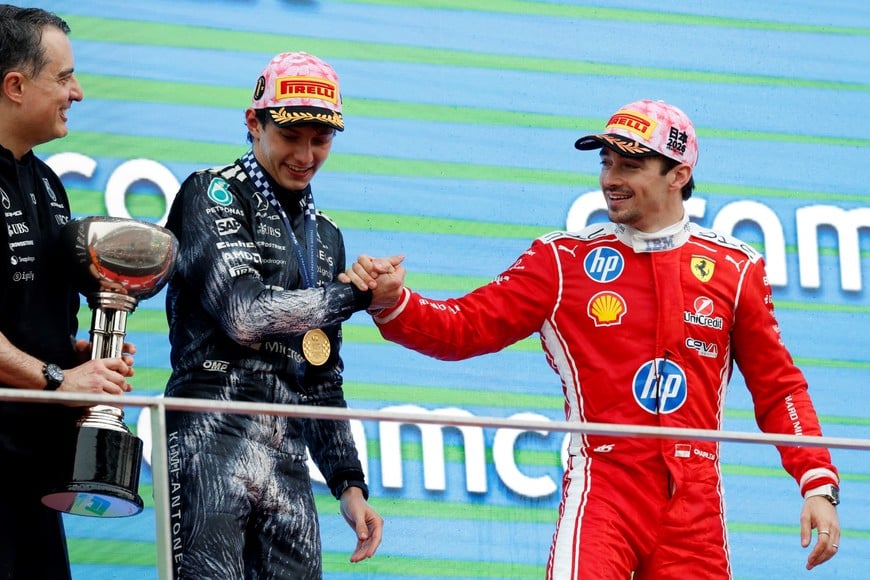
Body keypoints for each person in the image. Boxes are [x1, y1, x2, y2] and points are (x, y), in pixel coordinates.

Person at [345, 100, 841, 578]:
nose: (610, 179)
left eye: (629, 165)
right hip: (604, 489)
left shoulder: (736, 267)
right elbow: (463, 327)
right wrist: (393, 300)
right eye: (606, 163)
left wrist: (816, 482)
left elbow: (780, 390)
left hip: (696, 504)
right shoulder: (561, 261)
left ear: (679, 174)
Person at [164, 51, 397, 579]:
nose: (306, 154)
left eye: (321, 139)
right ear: (254, 122)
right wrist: (358, 296)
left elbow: (320, 375)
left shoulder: (327, 235)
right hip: (211, 437)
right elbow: (244, 314)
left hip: (287, 456)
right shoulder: (211, 192)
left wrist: (349, 485)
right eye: (292, 136)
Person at [0, 5, 136, 579]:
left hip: (32, 467)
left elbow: (35, 316)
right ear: (14, 85)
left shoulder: (47, 182)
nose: (77, 92)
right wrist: (57, 380)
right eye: (64, 77)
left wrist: (80, 359)